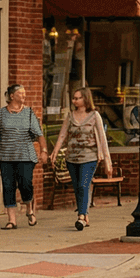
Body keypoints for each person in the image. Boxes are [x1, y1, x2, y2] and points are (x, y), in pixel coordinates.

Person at [48, 87, 115, 230]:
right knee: (78, 187)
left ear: (85, 99)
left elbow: (102, 138)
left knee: (84, 185)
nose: (74, 100)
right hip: (72, 157)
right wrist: (55, 152)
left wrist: (107, 161)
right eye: (73, 98)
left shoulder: (94, 115)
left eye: (78, 98)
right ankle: (85, 213)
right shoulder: (70, 116)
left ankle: (81, 216)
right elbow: (62, 135)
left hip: (89, 156)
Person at [0, 83, 46, 228]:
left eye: (24, 93)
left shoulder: (29, 113)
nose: (24, 95)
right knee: (8, 186)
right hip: (5, 156)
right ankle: (12, 220)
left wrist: (44, 150)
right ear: (12, 96)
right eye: (20, 93)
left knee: (25, 183)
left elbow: (39, 134)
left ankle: (29, 208)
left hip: (25, 155)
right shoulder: (1, 113)